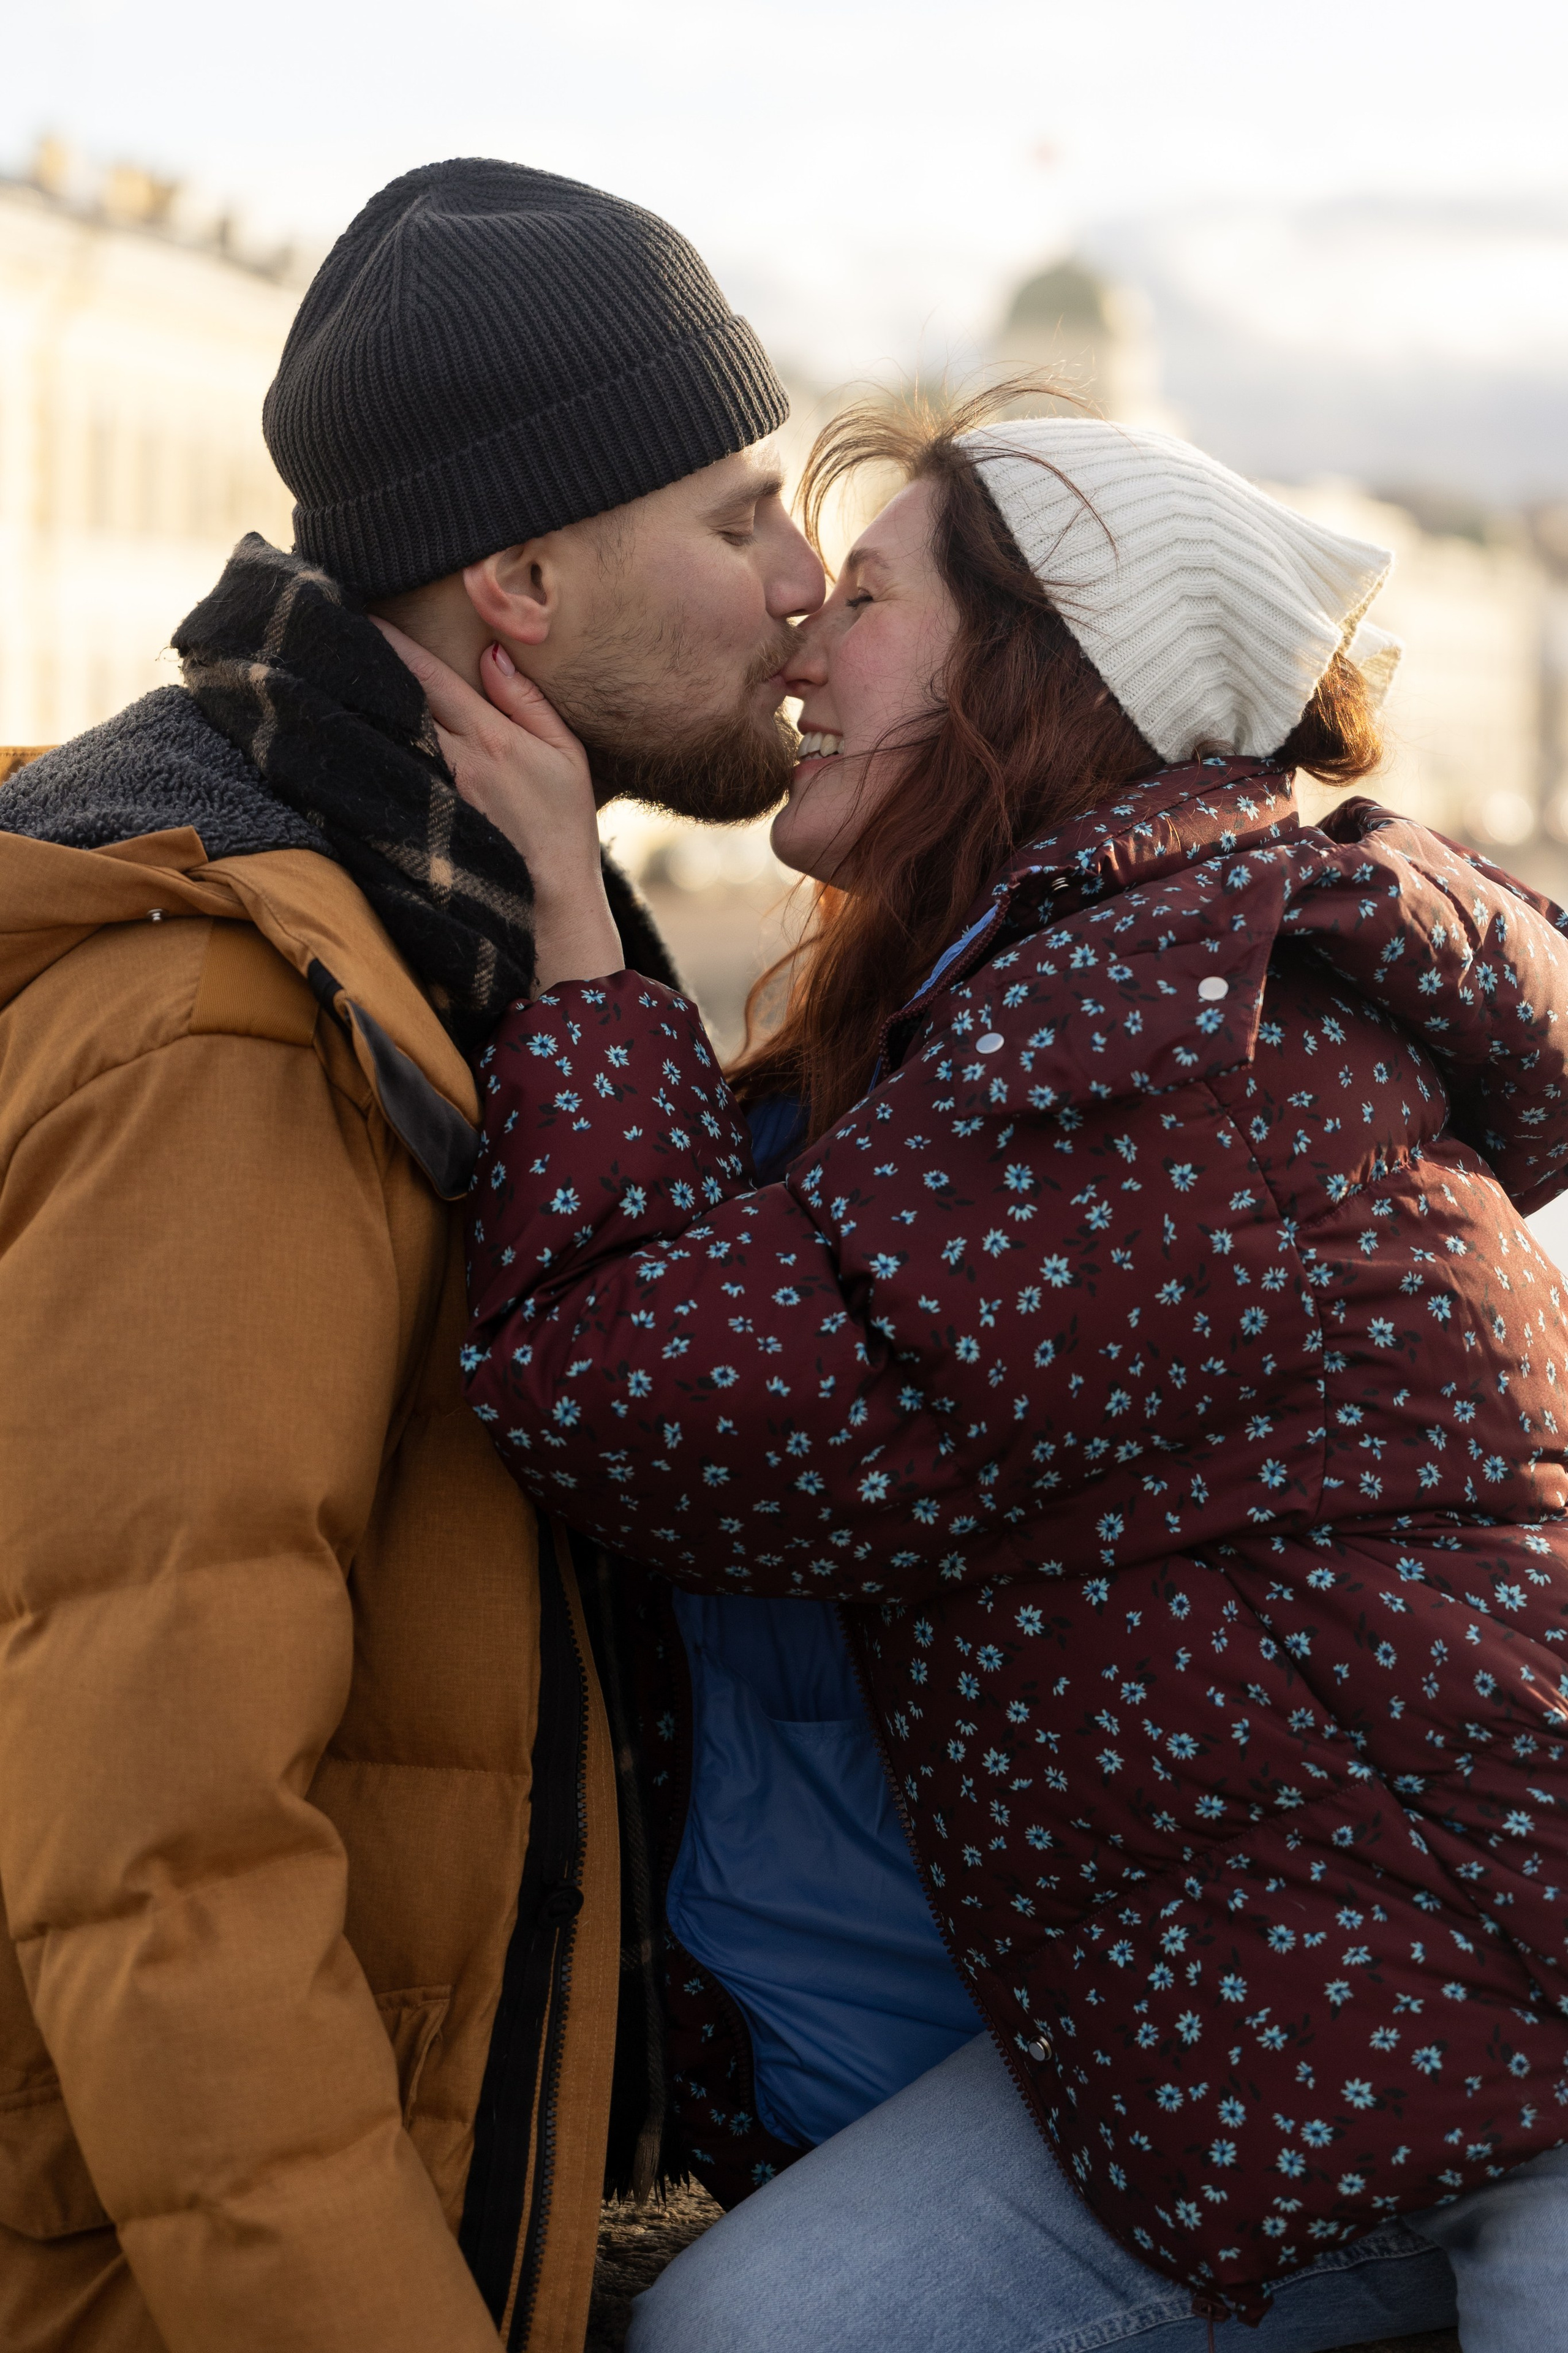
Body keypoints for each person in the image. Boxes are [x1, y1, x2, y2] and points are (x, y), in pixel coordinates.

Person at [451, 390, 1568, 2352]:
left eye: (866, 596)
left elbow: (658, 1404)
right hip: (1280, 2024)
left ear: (1037, 670)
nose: (802, 638)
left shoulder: (1161, 1014)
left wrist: (568, 931)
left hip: (1509, 2019)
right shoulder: (1079, 981)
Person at [0, 156, 821, 2353]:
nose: (805, 582)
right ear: (525, 575)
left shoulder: (453, 933)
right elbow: (161, 1860)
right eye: (739, 516)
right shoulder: (234, 1021)